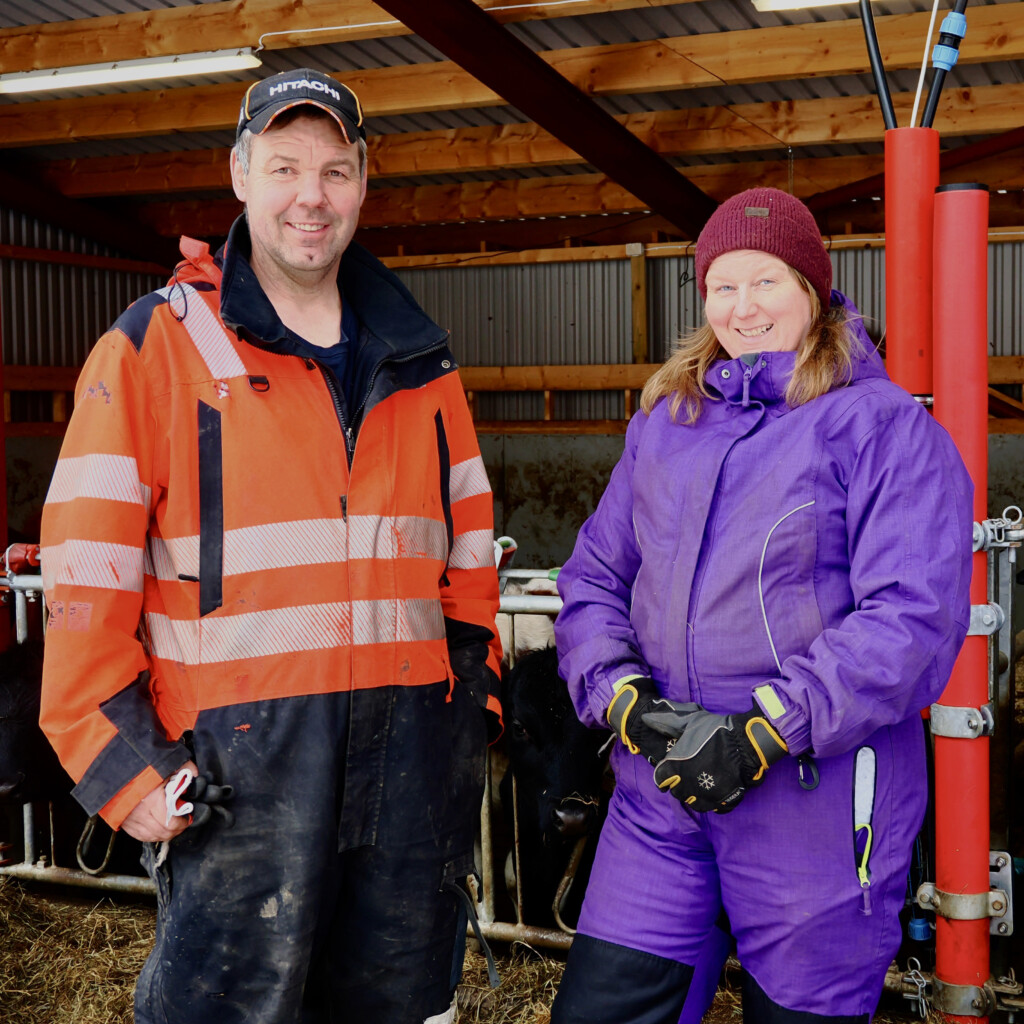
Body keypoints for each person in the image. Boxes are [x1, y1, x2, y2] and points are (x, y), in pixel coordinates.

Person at [39, 68, 502, 1024]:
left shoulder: (423, 362)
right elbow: (86, 575)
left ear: (363, 184)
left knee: (400, 1005)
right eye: (285, 167)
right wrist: (115, 760)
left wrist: (478, 704)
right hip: (237, 780)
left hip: (406, 768)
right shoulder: (152, 351)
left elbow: (470, 552)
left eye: (335, 171)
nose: (311, 196)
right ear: (241, 174)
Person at [551, 187, 973, 1023]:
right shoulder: (668, 420)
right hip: (661, 789)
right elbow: (594, 577)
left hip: (810, 801)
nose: (743, 307)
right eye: (722, 286)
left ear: (812, 287)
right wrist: (625, 701)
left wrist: (766, 732)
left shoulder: (880, 427)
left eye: (767, 280)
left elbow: (911, 618)